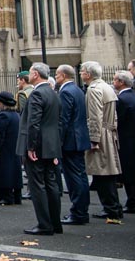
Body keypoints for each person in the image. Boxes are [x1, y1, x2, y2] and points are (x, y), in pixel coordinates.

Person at [18, 63, 62, 236]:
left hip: (38, 145)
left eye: (30, 72)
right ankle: (55, 222)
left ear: (35, 74)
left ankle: (44, 224)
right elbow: (59, 122)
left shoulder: (37, 93)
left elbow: (33, 122)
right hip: (51, 144)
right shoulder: (53, 93)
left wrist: (31, 146)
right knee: (51, 183)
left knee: (37, 184)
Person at [81, 61, 122, 221]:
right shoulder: (106, 87)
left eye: (83, 71)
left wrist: (94, 139)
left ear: (89, 74)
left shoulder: (94, 89)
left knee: (102, 172)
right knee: (107, 172)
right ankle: (114, 207)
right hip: (109, 131)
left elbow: (95, 116)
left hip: (101, 133)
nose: (80, 73)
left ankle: (111, 208)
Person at [55, 64, 90, 226]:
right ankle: (82, 209)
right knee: (80, 175)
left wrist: (58, 142)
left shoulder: (66, 92)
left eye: (56, 75)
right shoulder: (77, 90)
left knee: (74, 177)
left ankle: (78, 211)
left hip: (70, 140)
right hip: (79, 137)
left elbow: (63, 120)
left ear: (63, 76)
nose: (55, 78)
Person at [112, 70, 135, 214]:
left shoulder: (123, 100)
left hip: (126, 140)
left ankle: (133, 202)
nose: (113, 83)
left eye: (115, 80)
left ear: (121, 82)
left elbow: (118, 120)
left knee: (129, 173)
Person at [0, 91, 22, 205]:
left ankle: (6, 196)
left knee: (4, 172)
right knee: (15, 171)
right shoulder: (16, 115)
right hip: (14, 147)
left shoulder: (3, 116)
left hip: (4, 149)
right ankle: (17, 196)